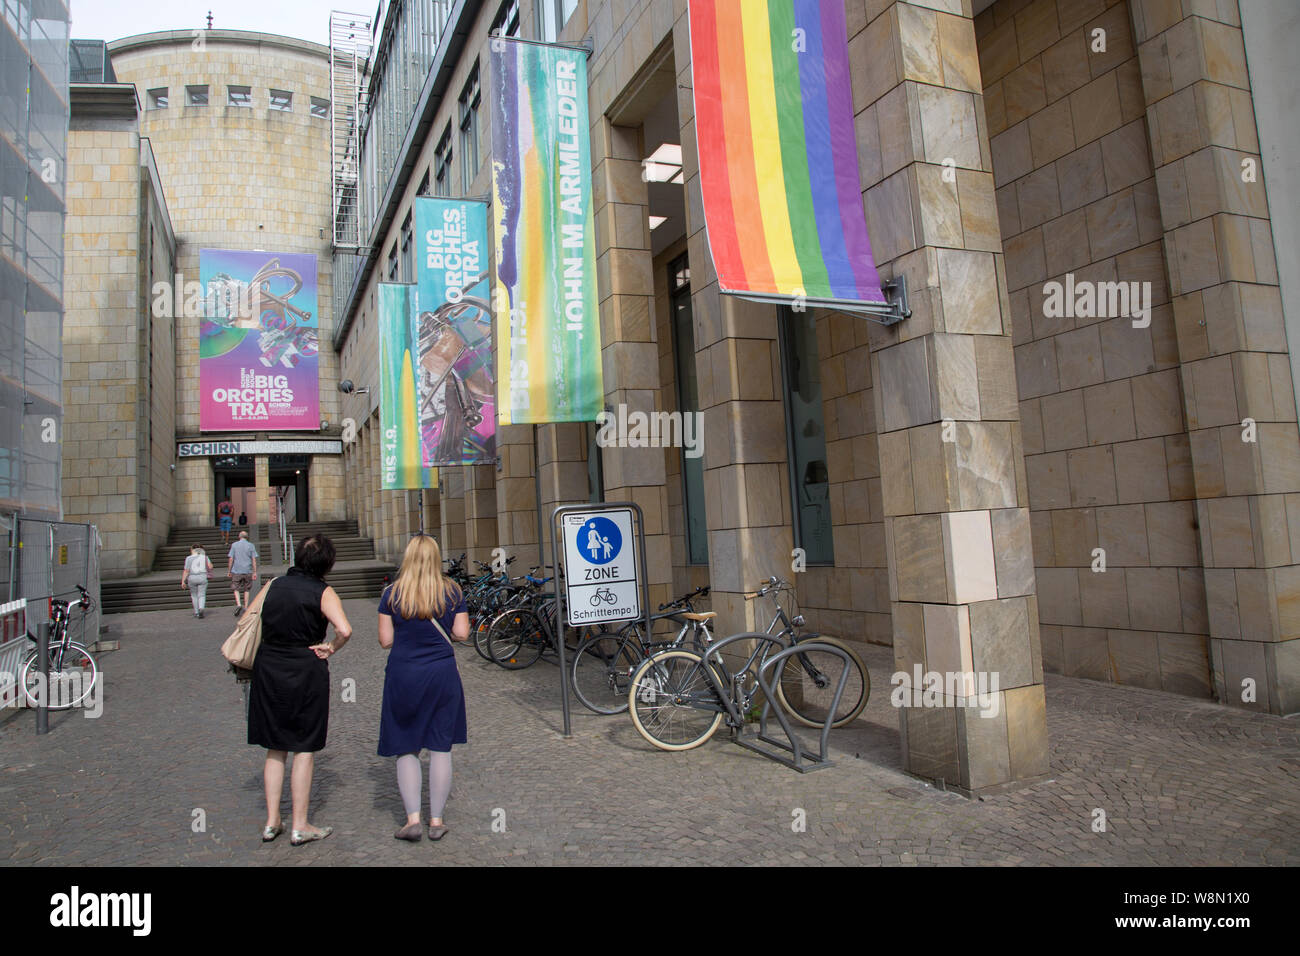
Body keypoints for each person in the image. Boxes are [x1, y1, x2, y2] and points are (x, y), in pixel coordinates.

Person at [247, 534, 352, 846]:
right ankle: (300, 824)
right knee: (304, 747)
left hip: (269, 666)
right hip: (306, 667)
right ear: (327, 563)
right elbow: (345, 630)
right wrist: (331, 647)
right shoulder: (323, 591)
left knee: (275, 746)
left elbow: (251, 616)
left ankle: (271, 822)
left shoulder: (273, 584)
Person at [377, 534, 470, 842]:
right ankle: (437, 820)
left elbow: (385, 640)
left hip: (404, 673)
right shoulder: (452, 591)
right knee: (441, 745)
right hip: (442, 673)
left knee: (406, 744)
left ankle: (412, 819)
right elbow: (462, 633)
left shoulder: (392, 594)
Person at [228, 530, 259, 617]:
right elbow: (254, 560)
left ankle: (238, 604)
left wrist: (229, 571)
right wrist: (255, 572)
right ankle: (245, 606)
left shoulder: (234, 545)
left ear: (239, 536)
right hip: (248, 570)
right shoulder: (251, 545)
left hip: (236, 570)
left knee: (235, 587)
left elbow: (231, 559)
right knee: (247, 589)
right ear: (247, 537)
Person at [180, 544, 213, 618]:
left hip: (192, 577)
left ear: (192, 550)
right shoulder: (205, 557)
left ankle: (196, 612)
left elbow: (186, 570)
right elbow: (210, 566)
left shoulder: (188, 558)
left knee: (194, 595)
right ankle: (201, 608)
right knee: (202, 594)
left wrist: (183, 581)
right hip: (202, 577)